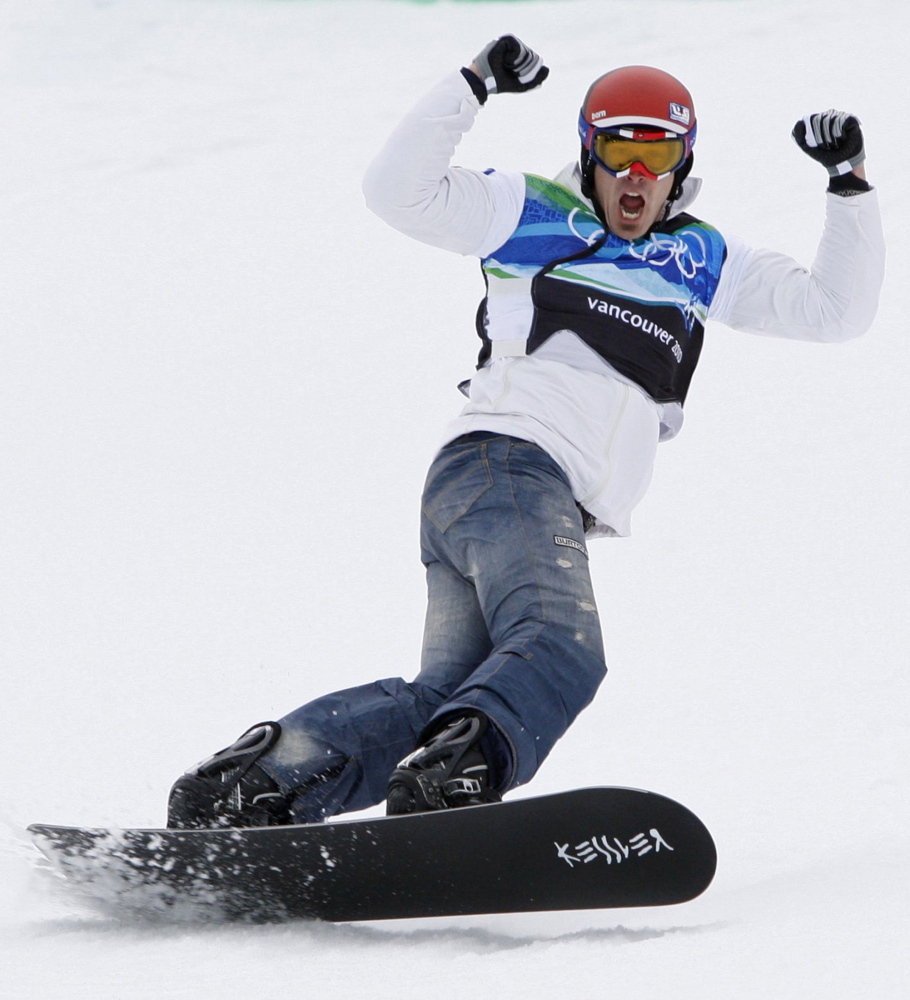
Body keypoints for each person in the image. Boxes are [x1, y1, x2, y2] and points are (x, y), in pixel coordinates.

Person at [166, 37, 884, 829]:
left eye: (659, 151)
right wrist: (472, 83)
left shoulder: (705, 259)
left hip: (493, 493)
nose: (637, 173)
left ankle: (255, 783)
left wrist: (847, 182)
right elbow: (393, 190)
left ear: (683, 163)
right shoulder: (532, 211)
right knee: (560, 644)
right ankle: (451, 784)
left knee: (443, 696)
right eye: (619, 148)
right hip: (510, 467)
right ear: (590, 151)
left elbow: (836, 313)